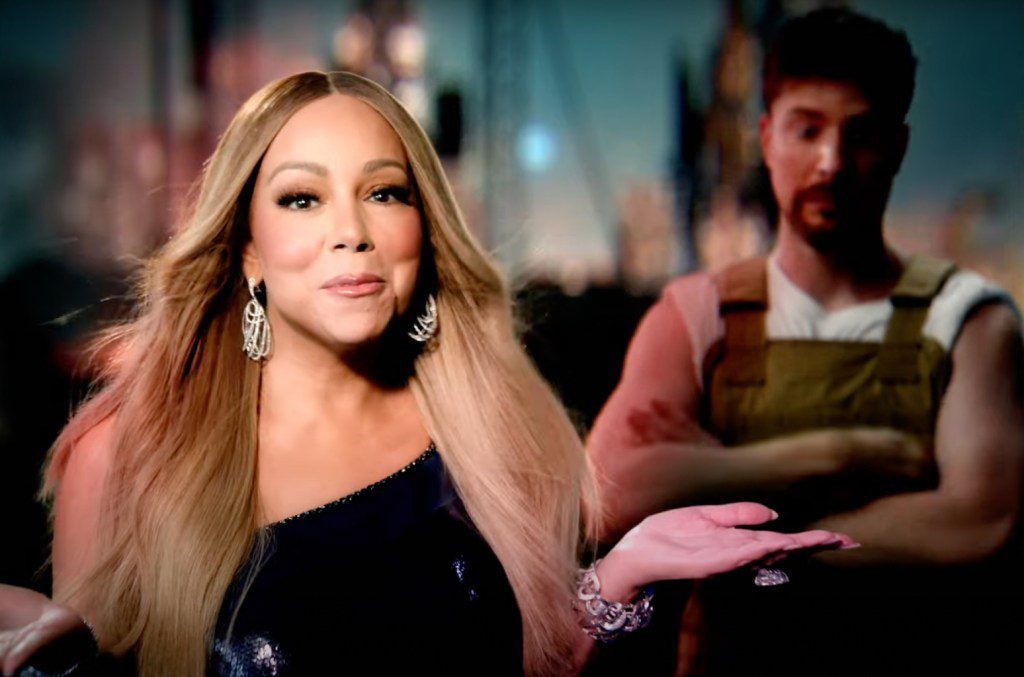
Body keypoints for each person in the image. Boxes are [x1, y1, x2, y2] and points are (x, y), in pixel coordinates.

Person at [0, 71, 852, 676]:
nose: (352, 230)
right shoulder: (128, 457)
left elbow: (539, 663)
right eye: (302, 198)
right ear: (247, 249)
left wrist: (621, 575)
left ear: (424, 231)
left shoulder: (494, 433)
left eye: (385, 192)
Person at [587, 7, 1024, 675]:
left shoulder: (967, 319)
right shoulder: (698, 312)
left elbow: (978, 520)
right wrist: (839, 454)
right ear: (766, 138)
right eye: (807, 129)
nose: (832, 162)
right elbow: (610, 492)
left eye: (861, 134)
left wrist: (728, 515)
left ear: (899, 147)